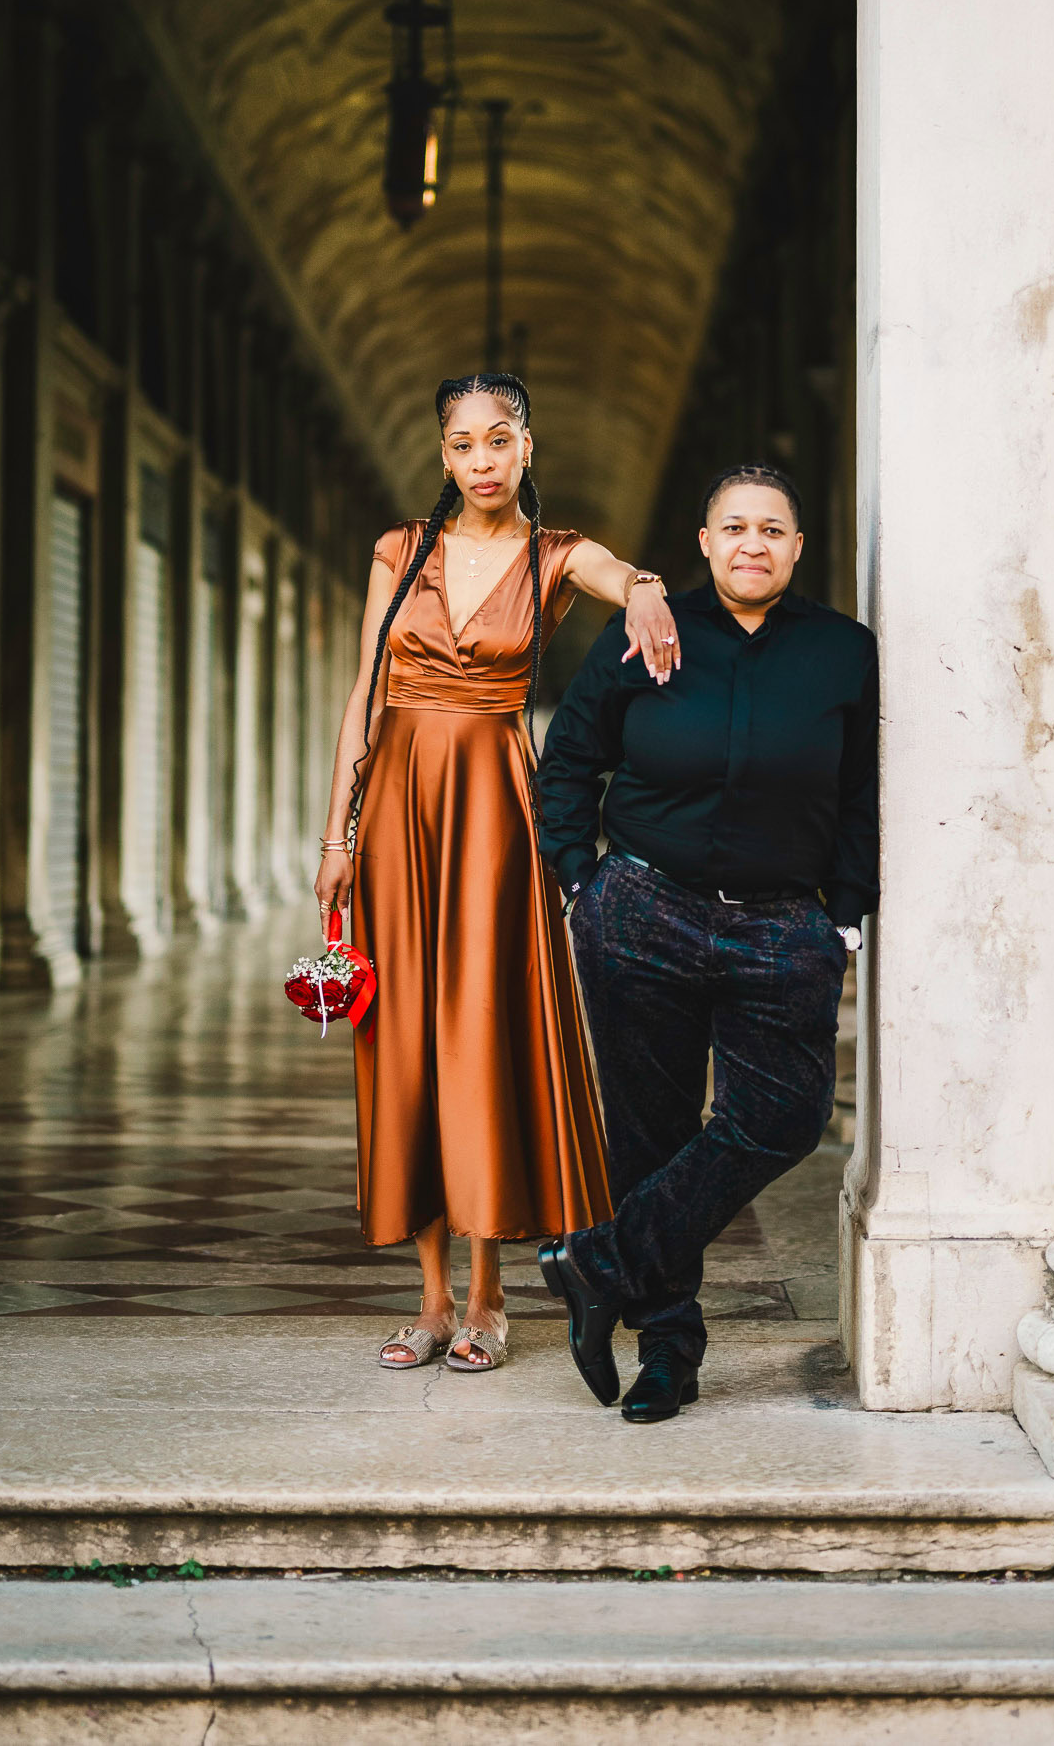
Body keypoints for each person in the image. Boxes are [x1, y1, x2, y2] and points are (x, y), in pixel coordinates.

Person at [314, 371, 681, 1375]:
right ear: (444, 457)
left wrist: (645, 590)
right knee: (404, 1037)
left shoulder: (554, 554)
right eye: (462, 444)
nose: (480, 460)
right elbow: (365, 693)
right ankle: (428, 1299)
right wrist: (334, 838)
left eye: (498, 440)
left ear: (526, 447)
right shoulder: (400, 550)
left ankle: (488, 1296)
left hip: (491, 807)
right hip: (395, 808)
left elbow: (616, 572)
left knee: (479, 1033)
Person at [535, 464, 879, 1421]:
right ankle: (668, 1357)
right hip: (642, 908)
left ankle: (598, 1262)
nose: (753, 544)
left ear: (799, 547)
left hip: (781, 922)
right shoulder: (648, 631)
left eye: (773, 529)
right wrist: (579, 878)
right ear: (704, 541)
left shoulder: (843, 651)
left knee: (782, 1117)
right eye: (734, 527)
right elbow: (569, 760)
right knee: (651, 1135)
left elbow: (858, 790)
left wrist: (845, 909)